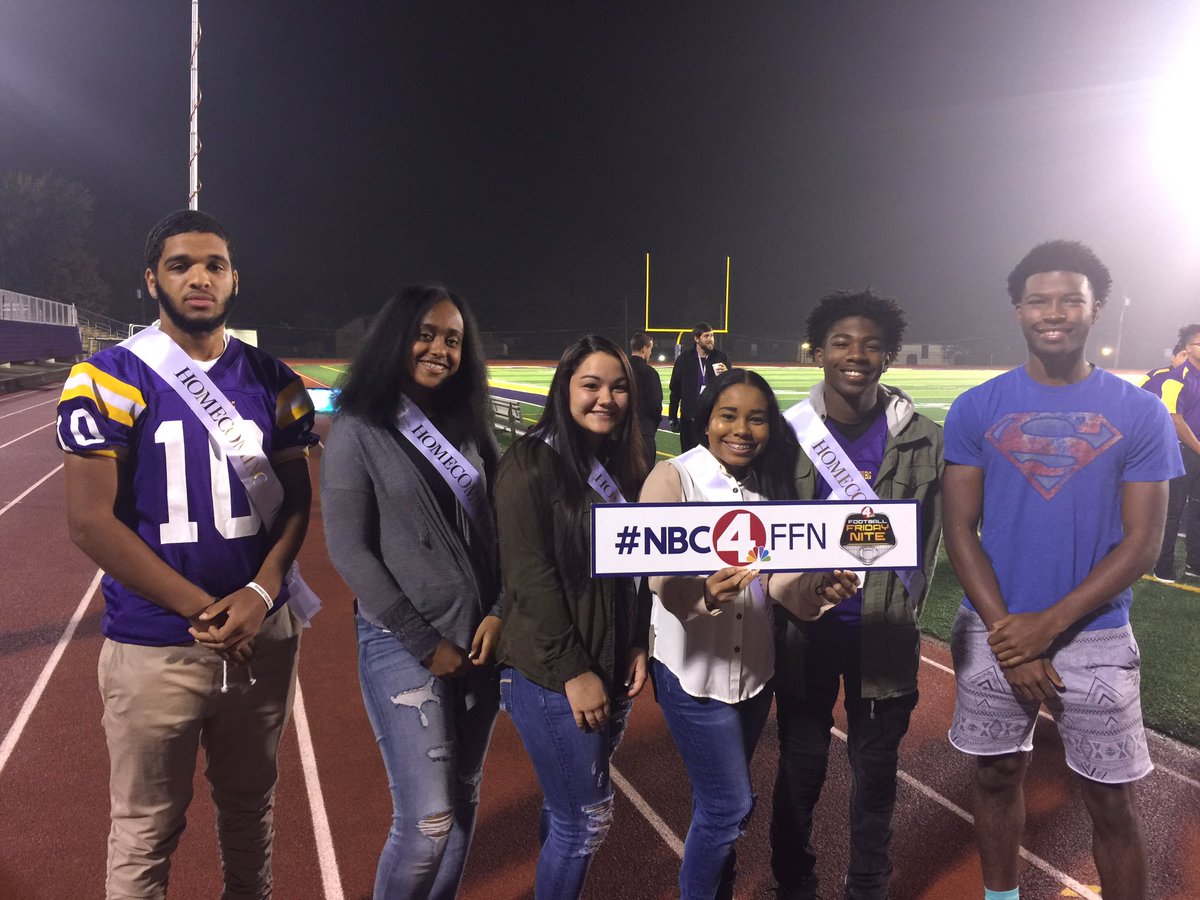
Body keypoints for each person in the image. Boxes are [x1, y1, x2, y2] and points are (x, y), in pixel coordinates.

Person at [58, 209, 317, 898]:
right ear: (152, 280)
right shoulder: (107, 377)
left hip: (262, 636)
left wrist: (259, 594)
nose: (199, 278)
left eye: (214, 266)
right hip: (155, 643)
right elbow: (89, 523)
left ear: (234, 280)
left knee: (250, 812)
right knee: (145, 830)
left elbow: (297, 503)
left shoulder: (275, 380)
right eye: (180, 265)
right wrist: (208, 611)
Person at [943, 240, 1181, 900]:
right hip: (995, 627)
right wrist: (1009, 636)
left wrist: (1044, 628)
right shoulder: (976, 406)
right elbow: (959, 529)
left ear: (1095, 309)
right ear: (1018, 310)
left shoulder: (1139, 412)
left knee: (1111, 800)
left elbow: (1143, 544)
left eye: (1070, 301)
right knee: (995, 776)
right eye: (1038, 301)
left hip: (1093, 634)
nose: (1054, 313)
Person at [321, 284, 502, 898]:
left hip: (480, 640)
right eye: (425, 335)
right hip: (402, 642)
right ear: (396, 338)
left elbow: (502, 525)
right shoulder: (358, 427)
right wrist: (423, 642)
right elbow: (349, 550)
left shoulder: (471, 425)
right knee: (427, 824)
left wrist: (500, 611)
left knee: (464, 799)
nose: (439, 350)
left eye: (453, 339)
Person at [770, 289, 944, 900]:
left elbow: (945, 530)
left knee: (875, 775)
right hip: (805, 633)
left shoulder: (926, 438)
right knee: (800, 769)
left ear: (888, 356)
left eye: (871, 345)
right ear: (817, 351)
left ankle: (868, 884)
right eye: (841, 342)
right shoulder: (787, 435)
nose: (856, 355)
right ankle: (793, 880)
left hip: (885, 633)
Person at [640, 367, 835, 899]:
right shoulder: (673, 478)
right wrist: (704, 593)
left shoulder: (770, 488)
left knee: (716, 804)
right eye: (728, 416)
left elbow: (777, 582)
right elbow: (657, 579)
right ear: (706, 420)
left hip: (754, 674)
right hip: (693, 676)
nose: (742, 430)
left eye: (757, 419)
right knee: (730, 805)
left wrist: (819, 590)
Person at [494, 335, 650, 899]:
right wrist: (573, 671)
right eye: (591, 385)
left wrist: (637, 641)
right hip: (554, 673)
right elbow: (529, 578)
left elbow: (638, 563)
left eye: (619, 387)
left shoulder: (625, 463)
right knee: (585, 821)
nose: (606, 398)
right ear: (565, 389)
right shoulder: (529, 463)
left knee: (564, 811)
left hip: (611, 663)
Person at [1145, 323, 1200, 582]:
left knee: (1197, 511)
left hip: (1196, 452)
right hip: (1180, 451)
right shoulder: (1175, 378)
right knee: (1173, 511)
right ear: (1187, 347)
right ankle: (1162, 565)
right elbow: (1174, 419)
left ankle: (1194, 564)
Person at [669, 321, 731, 451]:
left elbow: (731, 388)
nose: (711, 339)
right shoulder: (684, 359)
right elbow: (675, 390)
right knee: (689, 455)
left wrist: (728, 374)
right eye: (706, 336)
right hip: (689, 419)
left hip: (713, 418)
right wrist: (672, 417)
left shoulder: (721, 357)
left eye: (712, 335)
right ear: (696, 339)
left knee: (712, 456)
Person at [629, 331, 664, 472]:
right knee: (645, 477)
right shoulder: (650, 373)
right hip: (644, 432)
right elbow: (656, 405)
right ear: (644, 349)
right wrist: (651, 427)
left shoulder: (620, 368)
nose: (650, 353)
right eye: (650, 349)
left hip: (621, 433)